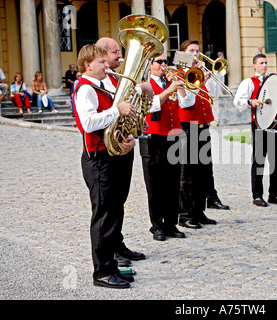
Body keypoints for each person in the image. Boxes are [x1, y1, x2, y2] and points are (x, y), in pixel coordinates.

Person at [73, 44, 139, 289]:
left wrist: (126, 137)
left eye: (106, 61)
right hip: (97, 159)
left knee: (113, 211)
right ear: (88, 65)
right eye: (102, 62)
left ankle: (111, 265)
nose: (107, 65)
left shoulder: (103, 85)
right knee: (102, 215)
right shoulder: (85, 89)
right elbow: (89, 123)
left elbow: (112, 123)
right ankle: (101, 272)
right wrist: (116, 110)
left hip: (110, 155)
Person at [94, 37, 147, 266]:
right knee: (109, 205)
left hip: (123, 150)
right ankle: (109, 253)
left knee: (119, 201)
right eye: (116, 52)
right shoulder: (94, 84)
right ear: (103, 55)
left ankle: (117, 244)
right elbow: (96, 121)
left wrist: (136, 127)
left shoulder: (117, 80)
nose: (120, 56)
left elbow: (127, 113)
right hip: (105, 152)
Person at [139, 53, 191, 241]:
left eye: (165, 61)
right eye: (159, 62)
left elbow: (187, 103)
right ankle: (157, 226)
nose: (163, 65)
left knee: (172, 182)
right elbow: (150, 107)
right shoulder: (143, 85)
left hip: (173, 137)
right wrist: (169, 89)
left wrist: (180, 86)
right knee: (154, 185)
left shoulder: (171, 82)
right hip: (152, 138)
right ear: (150, 65)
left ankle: (171, 223)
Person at [233, 54, 277, 207]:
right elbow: (237, 101)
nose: (264, 65)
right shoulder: (249, 82)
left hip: (273, 126)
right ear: (254, 66)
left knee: (275, 161)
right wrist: (250, 102)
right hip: (258, 125)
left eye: (265, 63)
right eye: (261, 63)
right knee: (259, 161)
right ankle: (257, 195)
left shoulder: (272, 81)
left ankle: (274, 194)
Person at [177, 39, 220, 229]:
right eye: (192, 50)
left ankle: (199, 211)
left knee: (203, 172)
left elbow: (215, 94)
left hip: (203, 126)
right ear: (184, 53)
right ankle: (185, 215)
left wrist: (210, 78)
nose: (196, 54)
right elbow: (186, 102)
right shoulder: (180, 75)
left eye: (197, 50)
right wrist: (199, 79)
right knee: (188, 175)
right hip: (187, 127)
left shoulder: (199, 73)